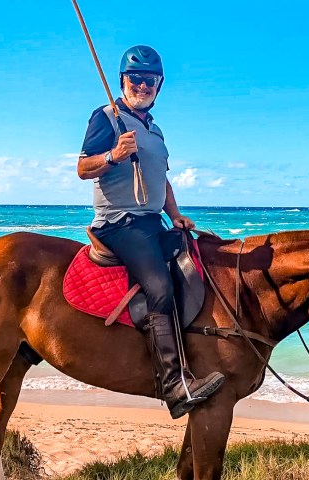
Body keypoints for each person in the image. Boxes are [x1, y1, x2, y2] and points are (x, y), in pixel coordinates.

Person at [77, 45, 224, 419]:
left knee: (200, 258)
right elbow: (82, 168)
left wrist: (176, 216)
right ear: (123, 80)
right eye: (136, 79)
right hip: (118, 222)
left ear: (159, 85)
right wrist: (112, 156)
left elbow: (162, 183)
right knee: (159, 286)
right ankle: (175, 384)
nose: (143, 85)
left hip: (152, 220)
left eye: (150, 80)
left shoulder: (154, 130)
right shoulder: (106, 118)